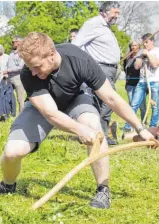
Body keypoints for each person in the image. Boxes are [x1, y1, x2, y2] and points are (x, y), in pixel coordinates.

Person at [0, 32, 155, 209]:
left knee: (94, 128)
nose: (32, 71)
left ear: (52, 55)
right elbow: (51, 113)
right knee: (12, 152)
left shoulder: (78, 59)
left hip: (76, 98)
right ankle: (8, 185)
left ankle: (103, 189)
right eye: (30, 67)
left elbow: (111, 97)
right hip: (44, 106)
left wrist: (140, 129)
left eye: (37, 66)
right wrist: (79, 130)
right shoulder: (28, 73)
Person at [72, 1, 121, 145]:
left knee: (103, 102)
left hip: (110, 69)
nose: (117, 16)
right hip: (101, 68)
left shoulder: (106, 27)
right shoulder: (93, 24)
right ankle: (98, 134)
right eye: (115, 12)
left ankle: (98, 134)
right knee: (108, 101)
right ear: (105, 11)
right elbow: (76, 45)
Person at [124, 33, 159, 131]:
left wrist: (148, 54)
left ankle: (152, 127)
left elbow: (154, 65)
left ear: (152, 41)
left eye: (146, 42)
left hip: (155, 81)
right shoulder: (141, 53)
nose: (145, 45)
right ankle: (128, 126)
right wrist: (141, 56)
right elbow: (136, 66)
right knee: (134, 104)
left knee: (155, 106)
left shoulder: (157, 51)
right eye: (143, 43)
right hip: (142, 81)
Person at [123, 40, 146, 128]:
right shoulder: (128, 58)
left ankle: (143, 122)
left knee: (142, 105)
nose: (134, 47)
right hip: (130, 83)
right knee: (132, 104)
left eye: (136, 45)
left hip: (140, 84)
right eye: (132, 45)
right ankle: (133, 124)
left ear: (139, 46)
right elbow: (125, 70)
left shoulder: (141, 57)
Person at [3, 36, 26, 114]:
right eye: (12, 42)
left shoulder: (22, 53)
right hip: (9, 77)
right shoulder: (11, 53)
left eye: (14, 42)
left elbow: (21, 67)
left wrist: (9, 70)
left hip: (18, 77)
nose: (12, 43)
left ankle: (21, 115)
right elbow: (8, 64)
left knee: (20, 98)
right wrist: (5, 72)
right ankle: (7, 114)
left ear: (19, 42)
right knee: (6, 96)